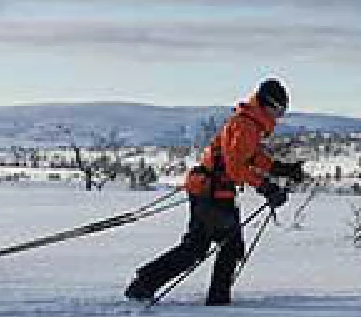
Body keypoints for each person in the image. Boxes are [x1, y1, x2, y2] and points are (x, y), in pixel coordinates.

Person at [125, 78, 308, 305]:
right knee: (226, 246)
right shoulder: (246, 126)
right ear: (268, 104)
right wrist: (267, 187)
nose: (279, 117)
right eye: (279, 110)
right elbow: (235, 167)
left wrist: (280, 168)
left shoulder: (250, 124)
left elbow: (248, 157)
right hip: (212, 192)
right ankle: (216, 300)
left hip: (210, 190)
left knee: (198, 248)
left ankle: (145, 284)